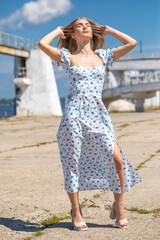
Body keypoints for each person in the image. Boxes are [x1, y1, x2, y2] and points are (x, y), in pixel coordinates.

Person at [38, 17, 142, 231]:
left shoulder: (104, 56)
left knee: (117, 160)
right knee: (72, 162)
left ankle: (119, 206)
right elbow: (42, 44)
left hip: (98, 114)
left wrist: (109, 30)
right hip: (74, 115)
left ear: (93, 32)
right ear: (73, 33)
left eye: (88, 24)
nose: (85, 26)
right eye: (79, 25)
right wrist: (59, 30)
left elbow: (132, 43)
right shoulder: (66, 56)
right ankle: (76, 211)